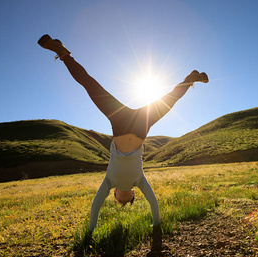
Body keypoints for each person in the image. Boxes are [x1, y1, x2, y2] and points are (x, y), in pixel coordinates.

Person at [38, 34, 208, 232]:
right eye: (126, 200)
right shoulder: (139, 181)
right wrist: (156, 225)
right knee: (170, 99)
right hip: (141, 126)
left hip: (119, 122)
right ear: (134, 193)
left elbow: (96, 207)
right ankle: (191, 78)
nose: (122, 199)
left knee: (90, 85)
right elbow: (153, 204)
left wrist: (90, 232)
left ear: (114, 193)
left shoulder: (110, 182)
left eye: (118, 200)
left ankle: (64, 54)